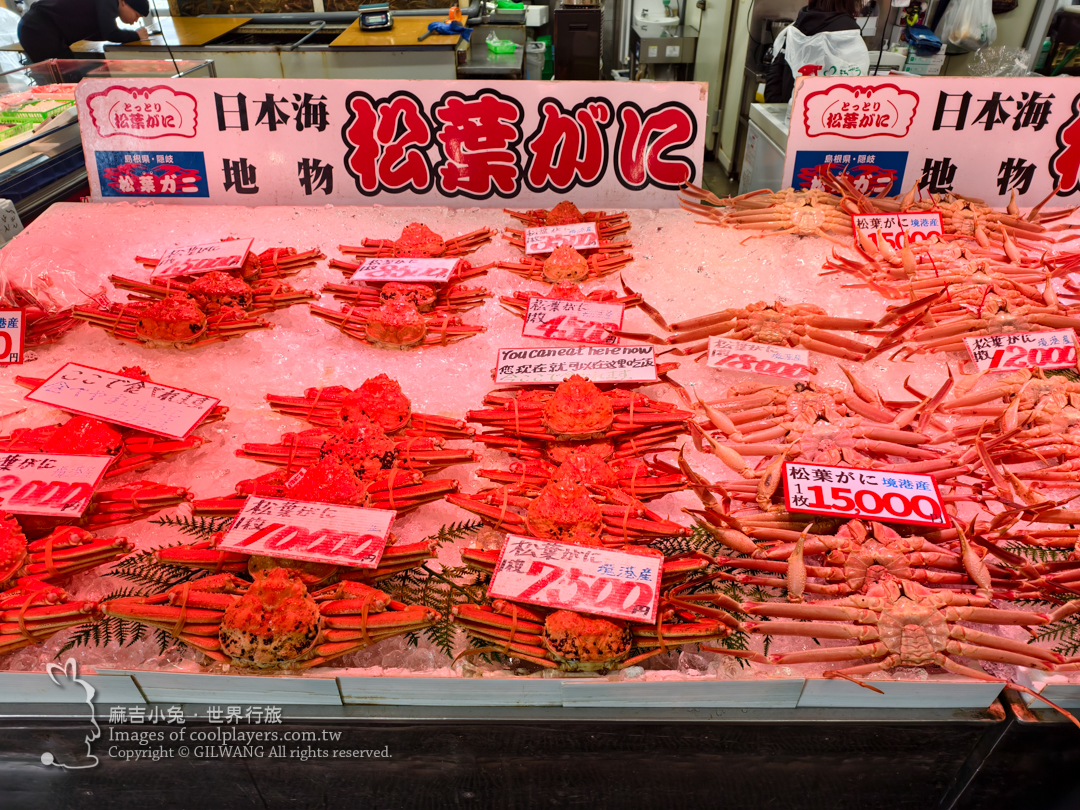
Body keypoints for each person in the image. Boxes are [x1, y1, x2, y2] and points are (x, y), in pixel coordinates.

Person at [764, 0, 865, 104]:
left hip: (791, 107)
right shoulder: (849, 33)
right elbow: (852, 90)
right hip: (826, 110)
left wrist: (785, 108)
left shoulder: (796, 27)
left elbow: (774, 81)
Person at [17, 0, 150, 63]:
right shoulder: (108, 2)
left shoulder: (105, 7)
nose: (135, 21)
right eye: (137, 15)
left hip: (35, 27)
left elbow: (101, 32)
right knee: (64, 76)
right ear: (123, 2)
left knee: (68, 75)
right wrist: (136, 35)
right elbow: (111, 33)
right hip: (37, 29)